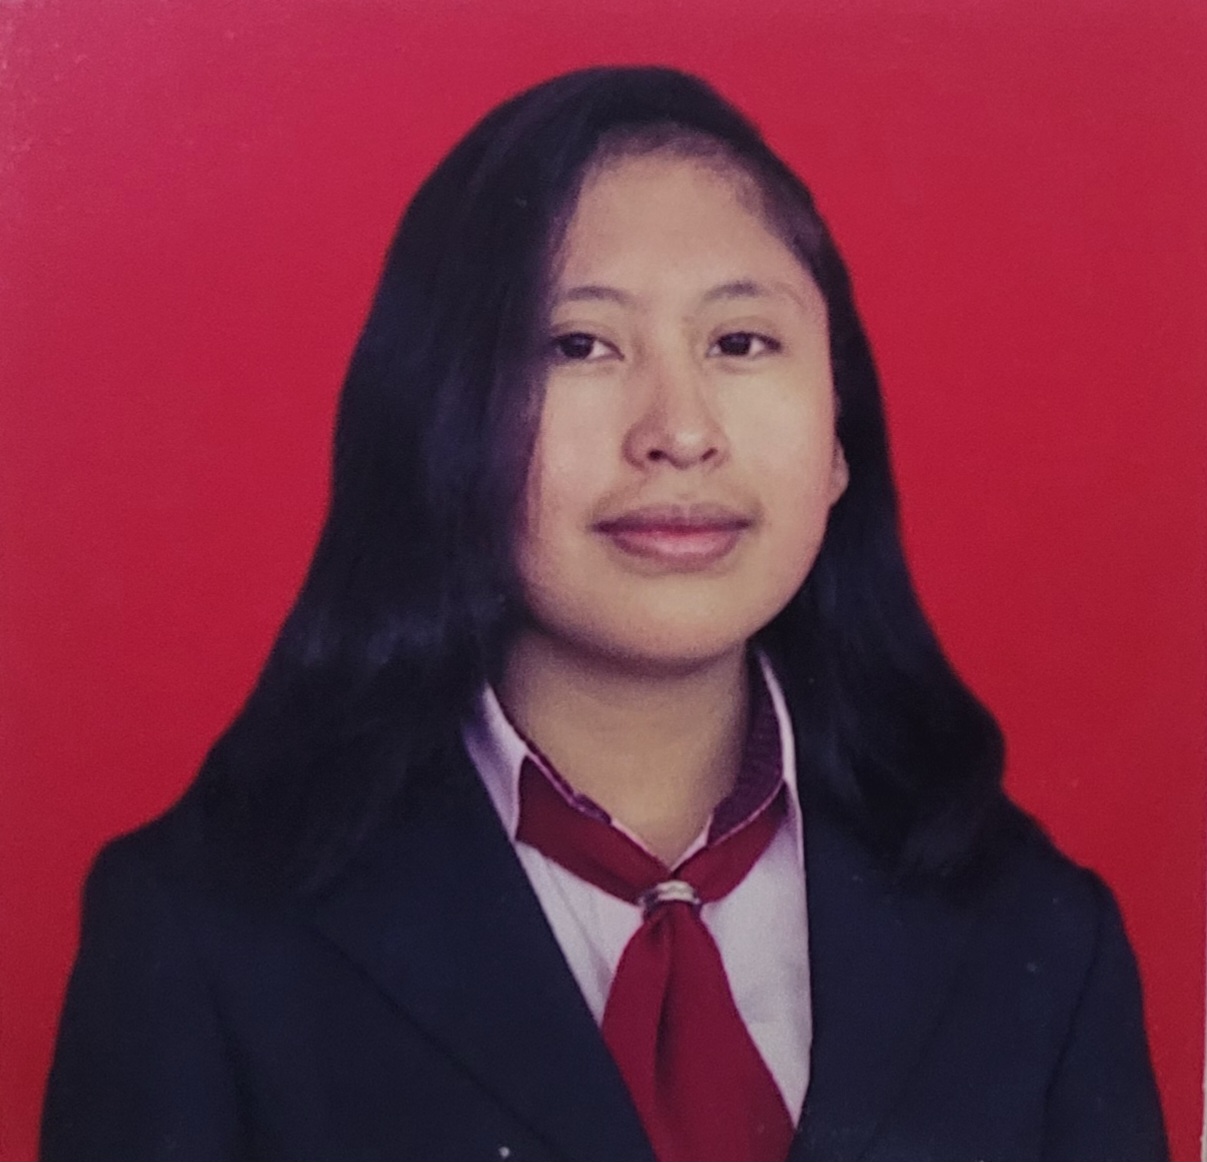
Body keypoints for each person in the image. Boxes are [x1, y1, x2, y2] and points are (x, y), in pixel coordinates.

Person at [40, 66, 1168, 1162]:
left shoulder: (1038, 935)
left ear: (838, 439)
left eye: (739, 342)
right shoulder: (204, 931)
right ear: (443, 423)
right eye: (578, 345)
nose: (679, 431)